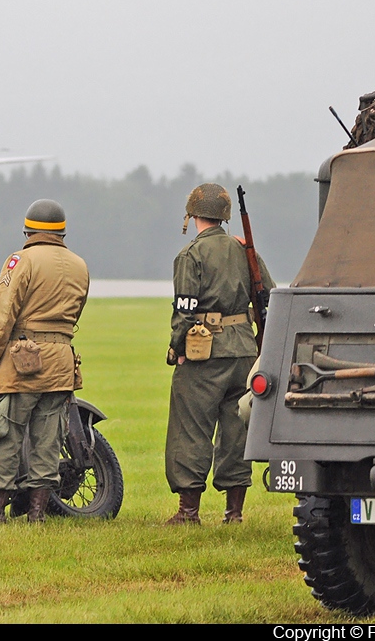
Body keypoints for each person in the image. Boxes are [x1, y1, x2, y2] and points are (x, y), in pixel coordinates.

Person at [0, 199, 89, 524]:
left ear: (28, 229)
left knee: (3, 435)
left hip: (22, 361)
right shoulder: (80, 265)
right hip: (61, 361)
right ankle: (36, 513)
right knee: (48, 439)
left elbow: (1, 315)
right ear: (62, 231)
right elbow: (75, 313)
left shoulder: (20, 260)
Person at [164, 182, 274, 525]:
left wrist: (176, 347)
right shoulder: (246, 252)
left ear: (193, 215)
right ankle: (234, 513)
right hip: (243, 350)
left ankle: (188, 512)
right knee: (236, 429)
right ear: (225, 216)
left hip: (204, 352)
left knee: (191, 429)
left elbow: (185, 309)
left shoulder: (190, 255)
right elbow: (268, 296)